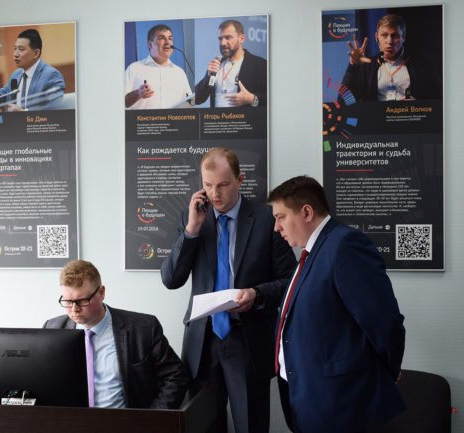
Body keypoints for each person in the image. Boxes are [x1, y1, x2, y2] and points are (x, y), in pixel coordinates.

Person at [161, 147, 296, 433]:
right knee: (202, 426)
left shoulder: (267, 219)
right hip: (202, 344)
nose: (214, 194)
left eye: (223, 185)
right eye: (208, 185)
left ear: (240, 179)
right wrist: (192, 230)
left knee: (250, 425)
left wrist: (257, 294)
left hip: (247, 340)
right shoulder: (191, 218)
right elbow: (171, 279)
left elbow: (291, 281)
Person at [267, 175, 406, 433]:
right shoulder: (311, 253)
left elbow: (383, 319)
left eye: (281, 217)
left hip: (338, 402)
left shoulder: (344, 245)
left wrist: (387, 370)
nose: (276, 227)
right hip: (308, 395)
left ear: (306, 212)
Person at [44, 259, 189, 409]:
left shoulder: (143, 328)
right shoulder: (52, 329)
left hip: (127, 420)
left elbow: (175, 376)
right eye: (68, 301)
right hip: (70, 420)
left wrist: (150, 418)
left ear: (101, 293)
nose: (74, 309)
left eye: (82, 301)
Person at [342, 14, 441, 101]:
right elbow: (344, 100)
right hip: (377, 117)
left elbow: (438, 101)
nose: (389, 41)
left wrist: (418, 105)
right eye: (384, 35)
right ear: (376, 37)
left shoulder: (422, 65)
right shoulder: (367, 66)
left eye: (395, 36)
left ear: (403, 37)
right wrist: (353, 67)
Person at [0, 29, 65, 111]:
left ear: (36, 53)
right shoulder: (15, 75)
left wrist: (24, 113)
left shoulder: (51, 75)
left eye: (21, 49)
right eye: (15, 49)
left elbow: (55, 110)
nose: (15, 54)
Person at [195, 20, 267, 108]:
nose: (223, 43)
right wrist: (208, 76)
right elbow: (197, 99)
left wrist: (252, 99)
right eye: (220, 39)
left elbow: (272, 99)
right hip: (215, 117)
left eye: (228, 37)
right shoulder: (217, 65)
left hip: (243, 117)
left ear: (241, 39)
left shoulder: (260, 65)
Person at [125, 24, 193, 109]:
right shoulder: (133, 69)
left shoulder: (180, 73)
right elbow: (121, 103)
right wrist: (138, 93)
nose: (168, 42)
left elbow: (189, 104)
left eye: (170, 38)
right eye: (161, 38)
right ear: (150, 44)